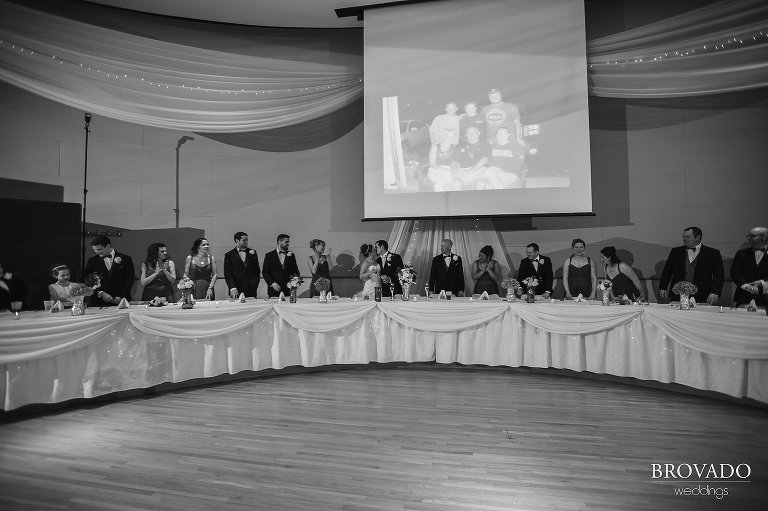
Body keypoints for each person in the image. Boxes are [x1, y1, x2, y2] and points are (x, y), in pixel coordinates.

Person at [659, 226, 724, 305]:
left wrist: (715, 292)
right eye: (683, 237)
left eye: (688, 237)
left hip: (702, 296)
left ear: (698, 237)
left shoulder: (712, 253)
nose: (684, 239)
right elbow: (667, 271)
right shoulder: (675, 252)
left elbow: (719, 275)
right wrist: (663, 287)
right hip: (678, 297)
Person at [84, 235, 135, 306]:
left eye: (99, 249)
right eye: (95, 250)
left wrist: (120, 296)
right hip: (98, 303)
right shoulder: (92, 261)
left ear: (108, 246)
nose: (97, 252)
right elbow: (88, 281)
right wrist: (101, 293)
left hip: (120, 302)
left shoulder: (126, 259)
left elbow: (129, 280)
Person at [731, 226, 768, 307]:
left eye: (752, 236)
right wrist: (746, 286)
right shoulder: (741, 254)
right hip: (744, 297)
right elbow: (735, 273)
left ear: (764, 237)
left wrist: (761, 282)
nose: (749, 238)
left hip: (765, 298)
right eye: (748, 235)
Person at [224, 231, 260, 299]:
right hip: (236, 288)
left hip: (251, 287)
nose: (246, 242)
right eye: (244, 240)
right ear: (237, 240)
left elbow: (257, 270)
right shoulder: (229, 255)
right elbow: (228, 273)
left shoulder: (253, 252)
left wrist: (255, 283)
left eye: (247, 240)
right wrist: (232, 287)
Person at [262, 234, 300, 298]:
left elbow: (296, 272)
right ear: (279, 242)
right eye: (286, 242)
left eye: (288, 242)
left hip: (288, 290)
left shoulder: (291, 255)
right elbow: (265, 272)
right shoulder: (269, 255)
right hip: (274, 289)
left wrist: (293, 283)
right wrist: (272, 283)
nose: (288, 244)